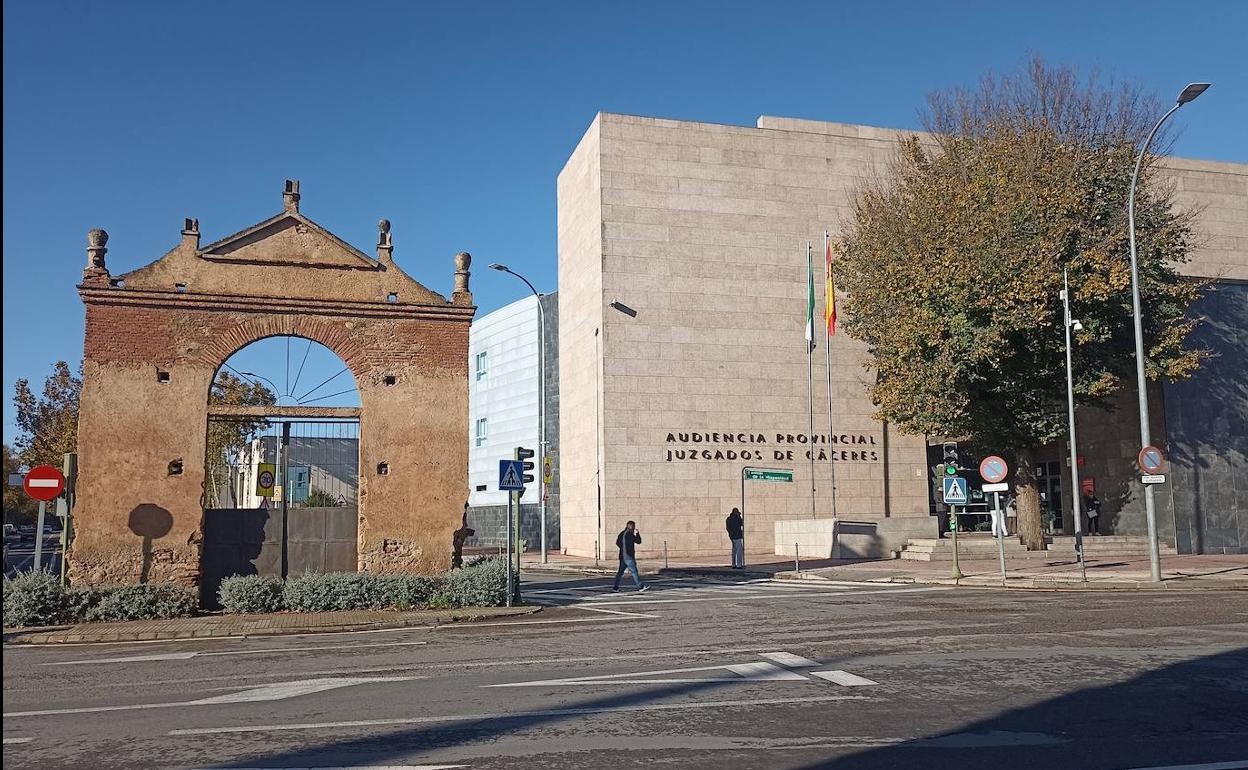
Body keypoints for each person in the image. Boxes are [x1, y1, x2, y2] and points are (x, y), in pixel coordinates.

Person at [613, 520, 648, 592]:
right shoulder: (629, 534)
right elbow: (638, 541)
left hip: (622, 556)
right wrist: (637, 533)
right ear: (631, 526)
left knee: (620, 573)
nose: (634, 528)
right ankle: (641, 586)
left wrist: (622, 548)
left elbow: (617, 543)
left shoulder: (622, 533)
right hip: (628, 557)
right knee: (634, 572)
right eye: (633, 526)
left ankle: (615, 587)